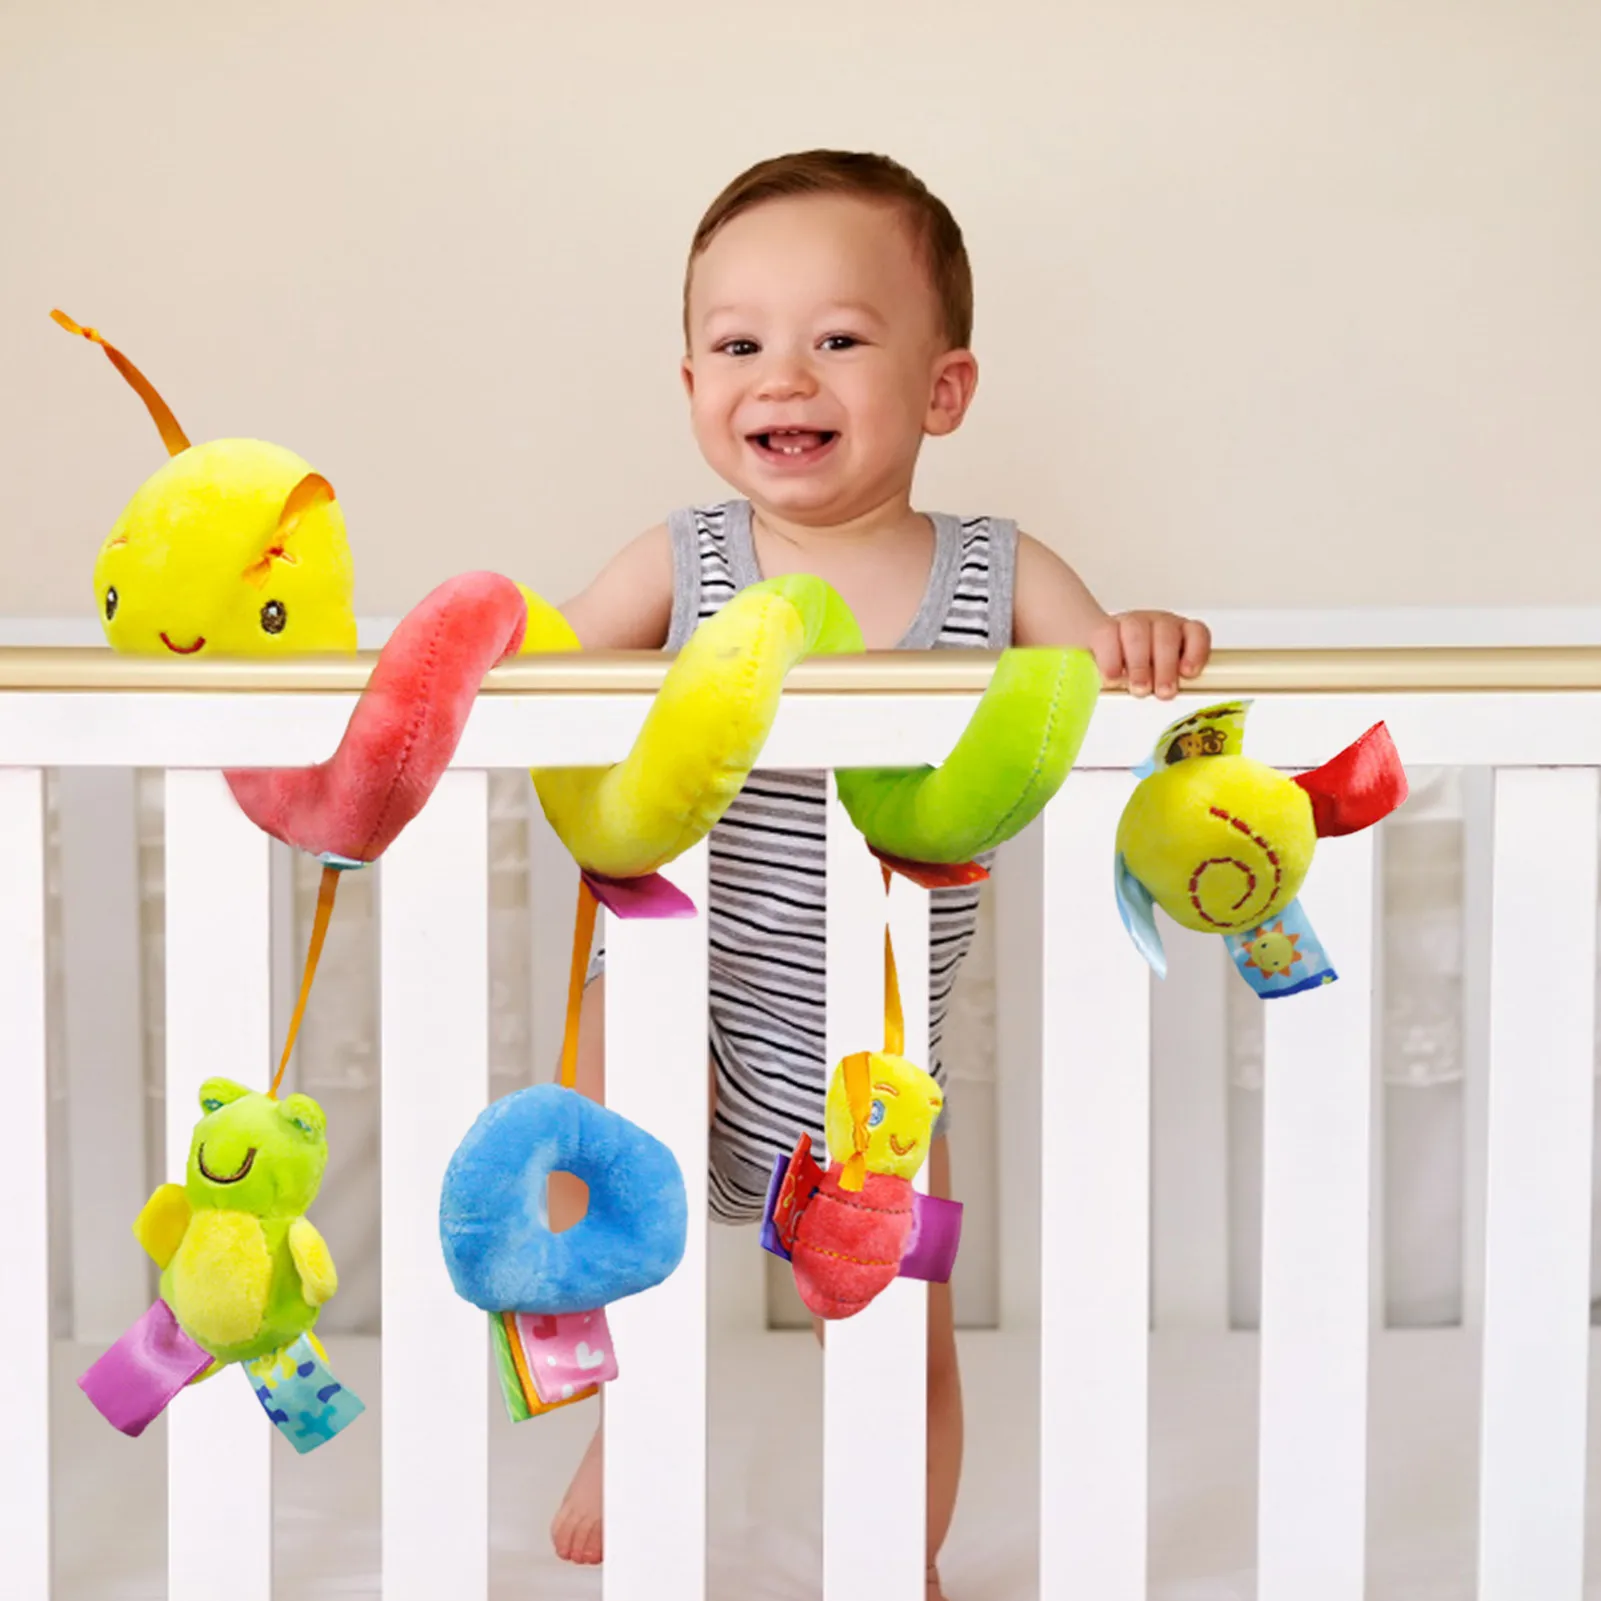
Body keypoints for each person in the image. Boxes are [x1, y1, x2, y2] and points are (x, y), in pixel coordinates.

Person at [548, 148, 1212, 1600]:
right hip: (680, 991)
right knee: (598, 1215)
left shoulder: (997, 570)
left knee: (909, 1330)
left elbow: (1107, 674)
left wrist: (1140, 644)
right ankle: (622, 1423)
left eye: (839, 339)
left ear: (943, 389)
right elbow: (536, 674)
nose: (783, 375)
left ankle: (900, 1557)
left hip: (880, 1048)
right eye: (739, 346)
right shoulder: (684, 560)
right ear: (692, 386)